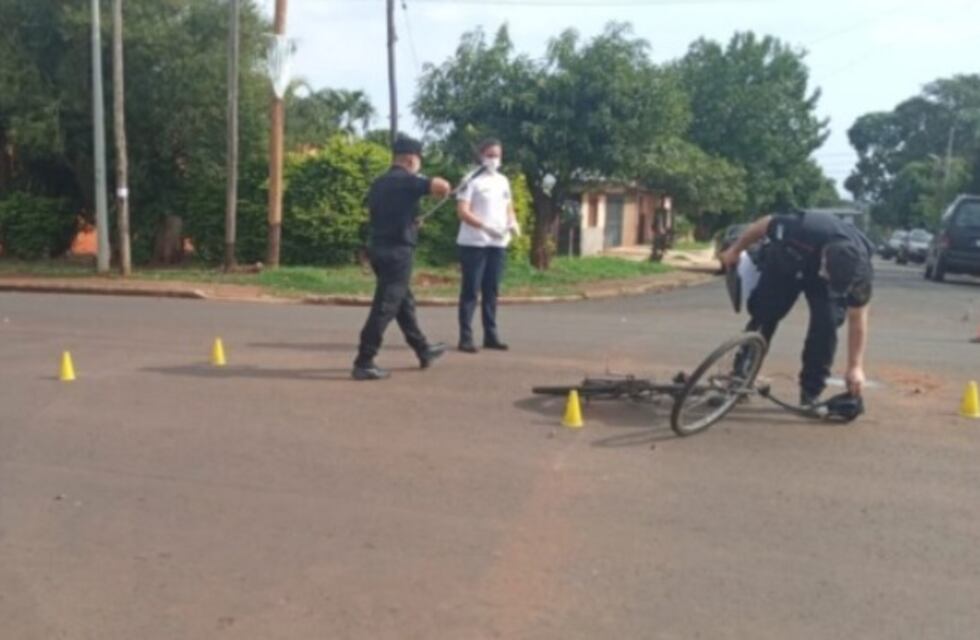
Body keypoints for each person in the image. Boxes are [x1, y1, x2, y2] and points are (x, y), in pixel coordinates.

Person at [719, 210, 875, 405]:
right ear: (825, 257)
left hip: (826, 278)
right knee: (765, 312)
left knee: (826, 325)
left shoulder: (860, 271)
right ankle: (742, 374)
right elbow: (764, 224)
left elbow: (858, 317)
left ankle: (811, 391)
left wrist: (855, 366)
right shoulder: (803, 228)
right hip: (789, 261)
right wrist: (734, 250)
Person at [352, 136, 451, 381]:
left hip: (379, 248)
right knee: (386, 306)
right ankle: (364, 361)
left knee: (403, 302)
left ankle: (422, 348)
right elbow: (441, 187)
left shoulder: (379, 183)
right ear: (410, 159)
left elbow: (387, 213)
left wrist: (411, 221)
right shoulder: (407, 181)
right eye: (419, 160)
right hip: (397, 253)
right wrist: (438, 186)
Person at [455, 138, 520, 353]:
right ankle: (466, 337)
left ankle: (491, 335)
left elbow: (508, 207)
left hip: (497, 242)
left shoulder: (503, 181)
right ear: (481, 156)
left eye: (497, 155)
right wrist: (484, 226)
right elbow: (463, 211)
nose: (494, 159)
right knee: (471, 291)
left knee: (491, 290)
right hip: (474, 243)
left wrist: (512, 222)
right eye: (490, 155)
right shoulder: (471, 179)